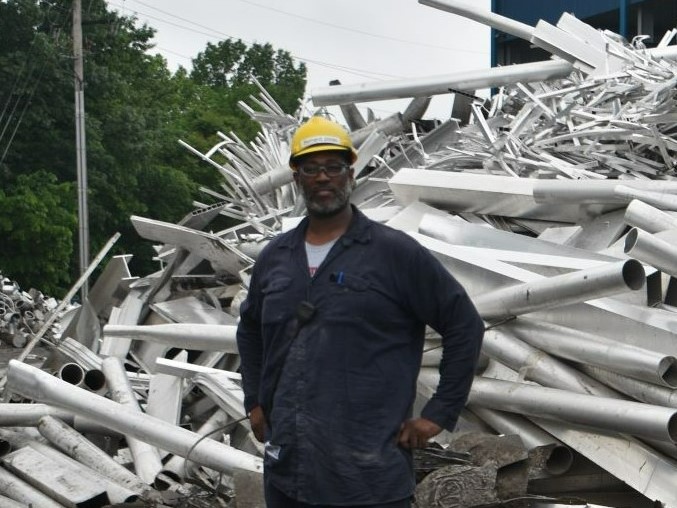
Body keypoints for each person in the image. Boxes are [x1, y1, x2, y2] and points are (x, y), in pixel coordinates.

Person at [236, 115, 484, 507]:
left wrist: (439, 412)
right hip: (289, 472)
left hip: (368, 479)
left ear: (350, 173)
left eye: (333, 167)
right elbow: (249, 328)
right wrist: (253, 400)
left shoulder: (394, 253)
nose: (323, 178)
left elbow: (464, 325)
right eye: (311, 169)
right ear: (296, 178)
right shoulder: (276, 257)